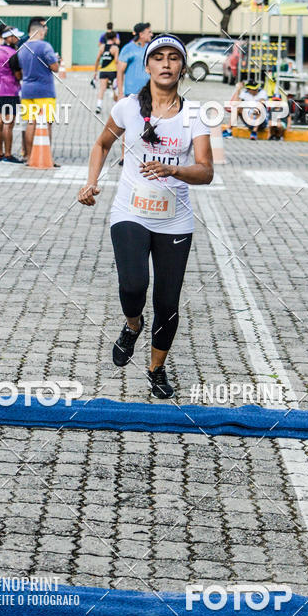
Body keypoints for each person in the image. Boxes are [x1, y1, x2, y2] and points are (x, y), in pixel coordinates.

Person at [78, 34, 213, 399]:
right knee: (133, 286)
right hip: (130, 211)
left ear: (182, 68)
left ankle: (156, 369)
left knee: (167, 303)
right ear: (148, 66)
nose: (166, 63)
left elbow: (206, 171)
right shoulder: (127, 107)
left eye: (173, 58)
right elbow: (102, 144)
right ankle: (132, 325)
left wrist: (174, 170)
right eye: (159, 57)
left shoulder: (195, 115)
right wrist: (91, 182)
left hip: (175, 219)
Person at [8, 17, 60, 167]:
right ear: (40, 32)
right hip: (45, 90)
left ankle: (30, 157)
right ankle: (47, 157)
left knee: (30, 123)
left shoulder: (22, 48)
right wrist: (55, 60)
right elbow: (55, 67)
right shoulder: (45, 46)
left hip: (27, 90)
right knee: (46, 123)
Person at [116, 23, 153, 165]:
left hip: (149, 93)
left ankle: (146, 155)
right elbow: (120, 71)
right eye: (149, 32)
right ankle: (124, 156)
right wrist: (120, 93)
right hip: (131, 93)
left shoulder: (150, 49)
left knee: (148, 123)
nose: (151, 34)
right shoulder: (128, 49)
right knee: (129, 125)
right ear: (141, 34)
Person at [0, 27, 23, 162]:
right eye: (15, 36)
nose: (18, 39)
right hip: (11, 90)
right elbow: (18, 75)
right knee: (8, 124)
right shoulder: (13, 53)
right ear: (9, 38)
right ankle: (8, 155)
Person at [93, 31, 119, 114]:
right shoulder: (115, 48)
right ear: (114, 38)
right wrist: (119, 73)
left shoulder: (102, 47)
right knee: (115, 89)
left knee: (102, 88)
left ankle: (99, 106)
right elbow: (116, 61)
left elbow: (97, 59)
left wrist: (95, 72)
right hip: (113, 71)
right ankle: (115, 107)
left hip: (103, 71)